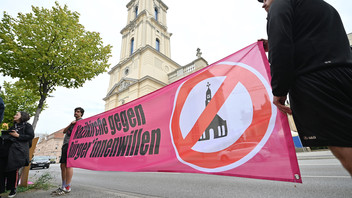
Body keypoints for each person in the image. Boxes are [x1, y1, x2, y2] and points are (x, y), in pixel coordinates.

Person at [257, 0, 352, 176]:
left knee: (343, 146)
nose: (263, 4)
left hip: (317, 83)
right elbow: (314, 38)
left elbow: (281, 47)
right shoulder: (324, 7)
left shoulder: (280, 3)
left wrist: (279, 91)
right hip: (344, 75)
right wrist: (273, 43)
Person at [0, 112, 34, 198]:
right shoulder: (13, 126)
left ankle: (13, 189)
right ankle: (2, 189)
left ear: (22, 117)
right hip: (7, 149)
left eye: (17, 115)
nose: (14, 116)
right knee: (3, 168)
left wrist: (18, 135)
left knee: (13, 169)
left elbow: (30, 136)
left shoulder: (27, 126)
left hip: (18, 151)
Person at [52, 107, 84, 195]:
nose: (76, 113)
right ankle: (63, 185)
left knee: (68, 165)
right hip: (65, 144)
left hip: (72, 145)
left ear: (81, 114)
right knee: (62, 165)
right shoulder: (73, 122)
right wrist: (71, 124)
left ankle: (68, 186)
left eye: (78, 112)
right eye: (75, 111)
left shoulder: (82, 122)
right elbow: (64, 131)